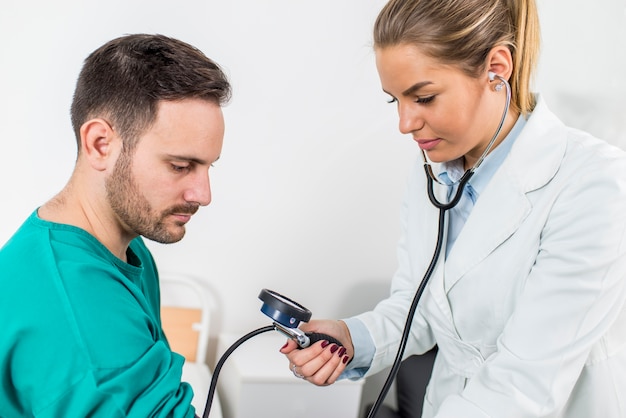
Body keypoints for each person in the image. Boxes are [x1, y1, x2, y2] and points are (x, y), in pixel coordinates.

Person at [280, 0, 626, 417]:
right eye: (395, 101)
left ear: (497, 67)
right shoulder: (433, 172)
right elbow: (421, 304)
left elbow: (525, 380)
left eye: (423, 98)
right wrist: (353, 337)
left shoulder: (594, 183)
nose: (405, 124)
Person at [0, 34, 230, 417]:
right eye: (180, 166)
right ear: (100, 144)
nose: (203, 194)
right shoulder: (78, 312)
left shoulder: (125, 247)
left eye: (209, 166)